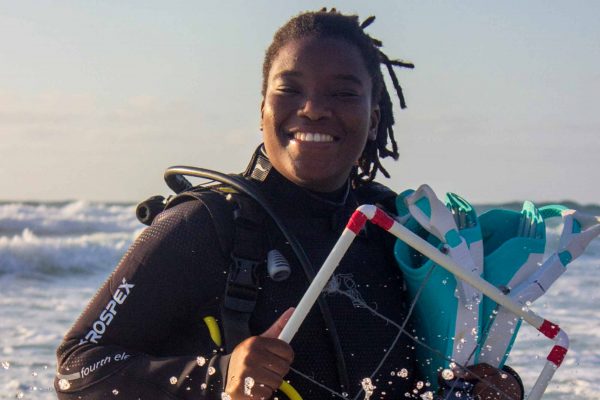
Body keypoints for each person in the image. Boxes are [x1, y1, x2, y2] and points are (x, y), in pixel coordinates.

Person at [55, 9, 523, 400]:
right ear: (262, 108)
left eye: (343, 92)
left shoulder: (402, 230)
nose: (314, 108)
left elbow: (438, 365)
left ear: (373, 115)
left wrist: (493, 386)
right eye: (290, 89)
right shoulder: (208, 225)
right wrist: (218, 376)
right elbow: (75, 370)